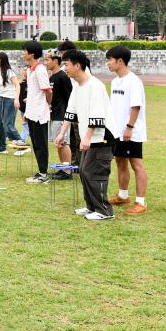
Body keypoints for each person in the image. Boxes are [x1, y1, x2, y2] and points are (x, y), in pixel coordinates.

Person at [56, 49, 116, 221]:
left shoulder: (95, 85)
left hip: (102, 137)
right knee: (83, 171)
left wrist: (87, 137)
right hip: (88, 136)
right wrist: (62, 133)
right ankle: (92, 206)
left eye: (66, 64)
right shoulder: (77, 86)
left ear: (78, 65)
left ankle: (105, 211)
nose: (64, 68)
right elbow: (71, 111)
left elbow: (97, 115)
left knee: (94, 172)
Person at [105, 46, 149, 215]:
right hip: (117, 131)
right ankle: (123, 195)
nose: (108, 63)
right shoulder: (115, 81)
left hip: (131, 131)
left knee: (136, 164)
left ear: (120, 61)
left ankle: (141, 202)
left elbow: (136, 106)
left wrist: (129, 127)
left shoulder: (133, 81)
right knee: (120, 161)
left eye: (110, 60)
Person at [20, 41, 53, 184]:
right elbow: (32, 93)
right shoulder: (30, 70)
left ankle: (44, 174)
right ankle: (41, 171)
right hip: (32, 112)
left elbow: (47, 91)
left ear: (31, 54)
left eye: (24, 51)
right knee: (35, 143)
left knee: (41, 144)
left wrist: (46, 105)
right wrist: (28, 112)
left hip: (40, 113)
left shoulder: (40, 69)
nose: (23, 53)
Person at [44, 52, 73, 178]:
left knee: (63, 143)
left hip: (62, 115)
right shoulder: (52, 77)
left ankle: (67, 171)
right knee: (58, 143)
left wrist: (70, 115)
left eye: (48, 60)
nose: (46, 63)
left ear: (56, 61)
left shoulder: (62, 77)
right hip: (54, 114)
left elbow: (70, 97)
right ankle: (63, 168)